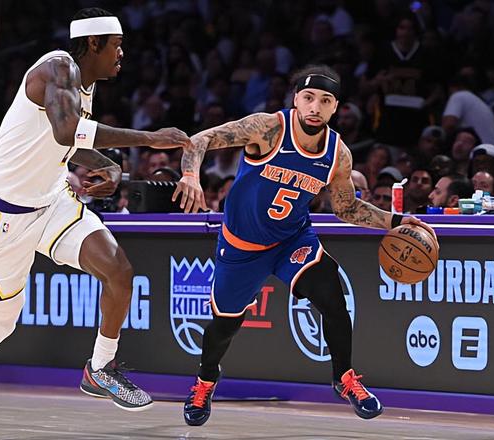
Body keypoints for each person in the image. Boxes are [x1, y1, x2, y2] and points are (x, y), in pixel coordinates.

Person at [171, 65, 436, 426]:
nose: (315, 107)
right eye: (308, 98)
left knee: (333, 298)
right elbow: (199, 139)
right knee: (225, 326)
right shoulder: (268, 128)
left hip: (291, 240)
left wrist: (395, 221)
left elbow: (346, 208)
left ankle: (344, 378)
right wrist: (190, 175)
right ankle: (205, 381)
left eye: (325, 101)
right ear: (296, 99)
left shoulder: (338, 154)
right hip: (241, 245)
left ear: (335, 107)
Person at [0, 8, 189, 411]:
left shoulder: (83, 86)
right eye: (117, 46)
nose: (122, 54)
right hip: (6, 211)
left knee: (118, 269)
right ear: (94, 43)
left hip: (52, 201)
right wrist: (150, 139)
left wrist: (108, 165)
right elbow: (68, 130)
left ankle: (100, 368)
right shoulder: (57, 68)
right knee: (3, 320)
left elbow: (65, 140)